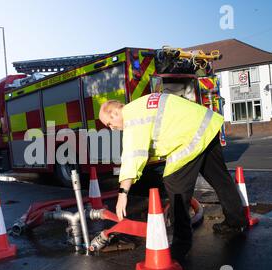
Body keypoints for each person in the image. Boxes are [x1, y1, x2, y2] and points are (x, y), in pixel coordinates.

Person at [98, 93, 248, 261]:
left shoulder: (132, 117)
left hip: (190, 136)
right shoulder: (140, 105)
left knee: (175, 187)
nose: (112, 129)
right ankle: (236, 221)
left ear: (115, 113)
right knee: (220, 179)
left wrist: (122, 193)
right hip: (206, 126)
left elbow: (133, 156)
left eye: (109, 124)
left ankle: (181, 245)